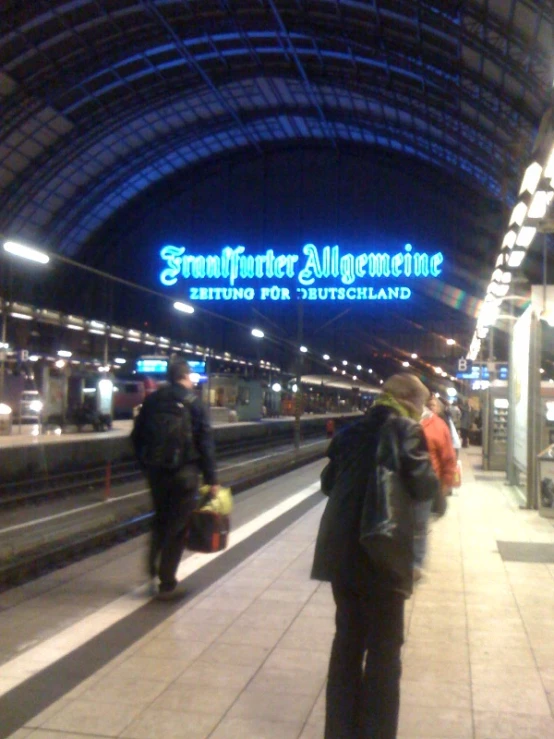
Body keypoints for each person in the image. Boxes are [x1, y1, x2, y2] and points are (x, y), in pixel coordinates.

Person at [311, 374, 439, 739]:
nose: (424, 413)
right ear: (407, 401)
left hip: (341, 556)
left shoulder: (350, 432)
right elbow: (425, 486)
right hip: (381, 555)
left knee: (347, 643)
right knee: (384, 651)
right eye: (423, 405)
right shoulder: (405, 429)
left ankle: (339, 731)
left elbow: (327, 483)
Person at [131, 359, 218, 599]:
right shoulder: (194, 403)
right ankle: (166, 578)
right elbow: (206, 442)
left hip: (157, 473)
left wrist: (145, 465)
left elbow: (136, 436)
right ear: (186, 376)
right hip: (185, 473)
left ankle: (150, 567)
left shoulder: (152, 400)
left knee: (160, 519)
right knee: (178, 527)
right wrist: (211, 478)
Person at [417, 396, 457, 577]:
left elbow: (448, 457)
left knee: (419, 526)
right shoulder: (400, 422)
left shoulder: (438, 425)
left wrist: (446, 484)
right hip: (402, 484)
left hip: (427, 484)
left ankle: (415, 564)